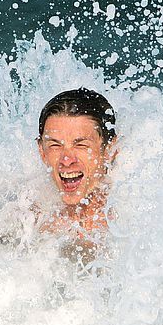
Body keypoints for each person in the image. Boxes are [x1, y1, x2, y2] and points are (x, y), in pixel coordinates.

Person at [35, 88, 117, 236]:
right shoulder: (29, 220)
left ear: (109, 151)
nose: (66, 160)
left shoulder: (127, 221)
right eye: (55, 145)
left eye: (81, 145)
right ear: (42, 151)